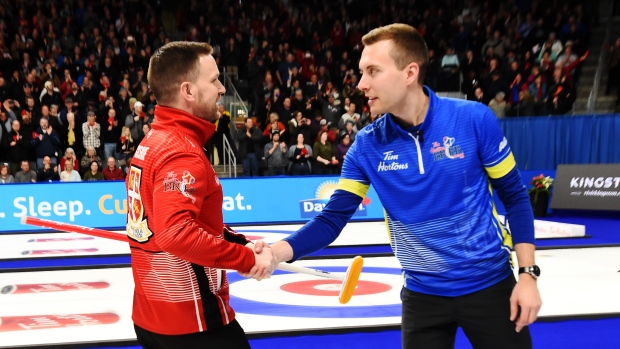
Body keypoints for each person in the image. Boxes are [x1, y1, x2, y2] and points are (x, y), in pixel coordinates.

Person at [265, 24, 541, 349]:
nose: (361, 85)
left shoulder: (474, 119)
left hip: (491, 286)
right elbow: (332, 218)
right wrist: (273, 254)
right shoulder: (366, 146)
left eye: (372, 72)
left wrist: (528, 274)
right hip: (423, 297)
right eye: (361, 72)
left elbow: (514, 196)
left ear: (410, 72)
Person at [127, 41, 276, 349]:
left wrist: (240, 243)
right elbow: (177, 234)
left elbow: (179, 225)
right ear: (189, 91)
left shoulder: (154, 141)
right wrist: (244, 257)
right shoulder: (181, 152)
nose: (222, 88)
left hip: (152, 316)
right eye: (214, 80)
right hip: (193, 325)